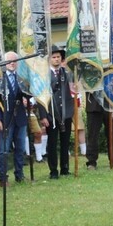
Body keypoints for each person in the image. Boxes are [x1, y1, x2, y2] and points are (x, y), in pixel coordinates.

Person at [0, 51, 29, 185]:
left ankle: (19, 175)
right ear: (4, 63)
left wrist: (27, 97)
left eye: (14, 61)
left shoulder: (22, 77)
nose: (12, 63)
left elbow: (29, 93)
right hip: (5, 118)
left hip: (20, 117)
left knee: (20, 148)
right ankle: (3, 178)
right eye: (9, 61)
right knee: (4, 150)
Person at [42, 46, 74, 179]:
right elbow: (41, 96)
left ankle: (65, 168)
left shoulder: (66, 73)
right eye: (54, 57)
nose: (56, 59)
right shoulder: (43, 75)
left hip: (65, 113)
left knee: (65, 142)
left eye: (58, 57)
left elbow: (73, 88)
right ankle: (53, 170)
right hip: (52, 114)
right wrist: (43, 115)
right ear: (49, 59)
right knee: (52, 143)